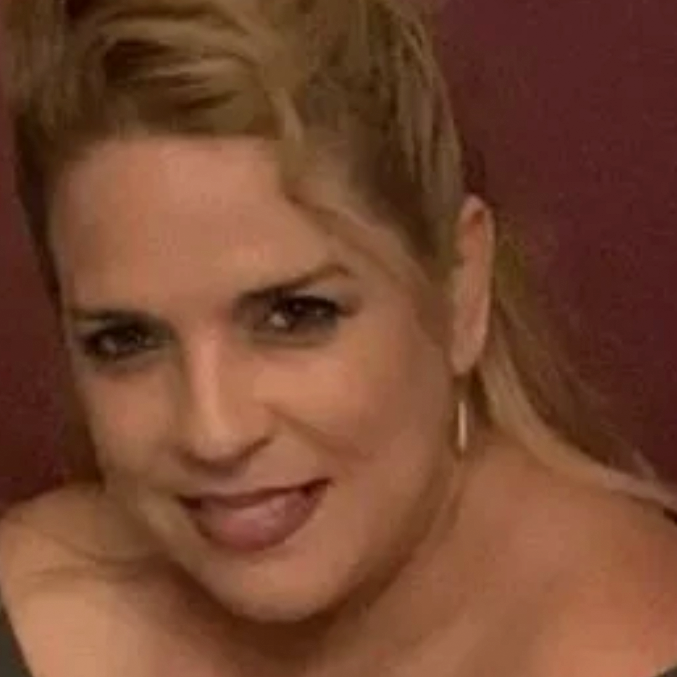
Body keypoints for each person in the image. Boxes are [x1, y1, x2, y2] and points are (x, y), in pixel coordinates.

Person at [1, 0, 677, 675]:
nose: (213, 431)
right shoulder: (34, 603)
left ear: (459, 289)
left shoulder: (627, 642)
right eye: (125, 340)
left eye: (294, 315)